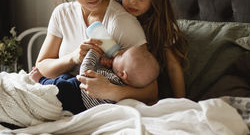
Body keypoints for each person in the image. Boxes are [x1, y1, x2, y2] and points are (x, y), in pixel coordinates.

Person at [111, 0, 188, 98]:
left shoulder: (161, 27)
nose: (133, 2)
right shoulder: (115, 17)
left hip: (146, 90)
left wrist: (181, 102)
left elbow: (173, 67)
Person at [30, 45, 159, 114]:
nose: (119, 51)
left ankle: (40, 79)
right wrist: (108, 63)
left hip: (79, 99)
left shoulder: (112, 80)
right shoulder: (121, 80)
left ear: (123, 74)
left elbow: (85, 72)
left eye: (121, 55)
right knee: (66, 78)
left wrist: (94, 53)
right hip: (79, 88)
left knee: (61, 88)